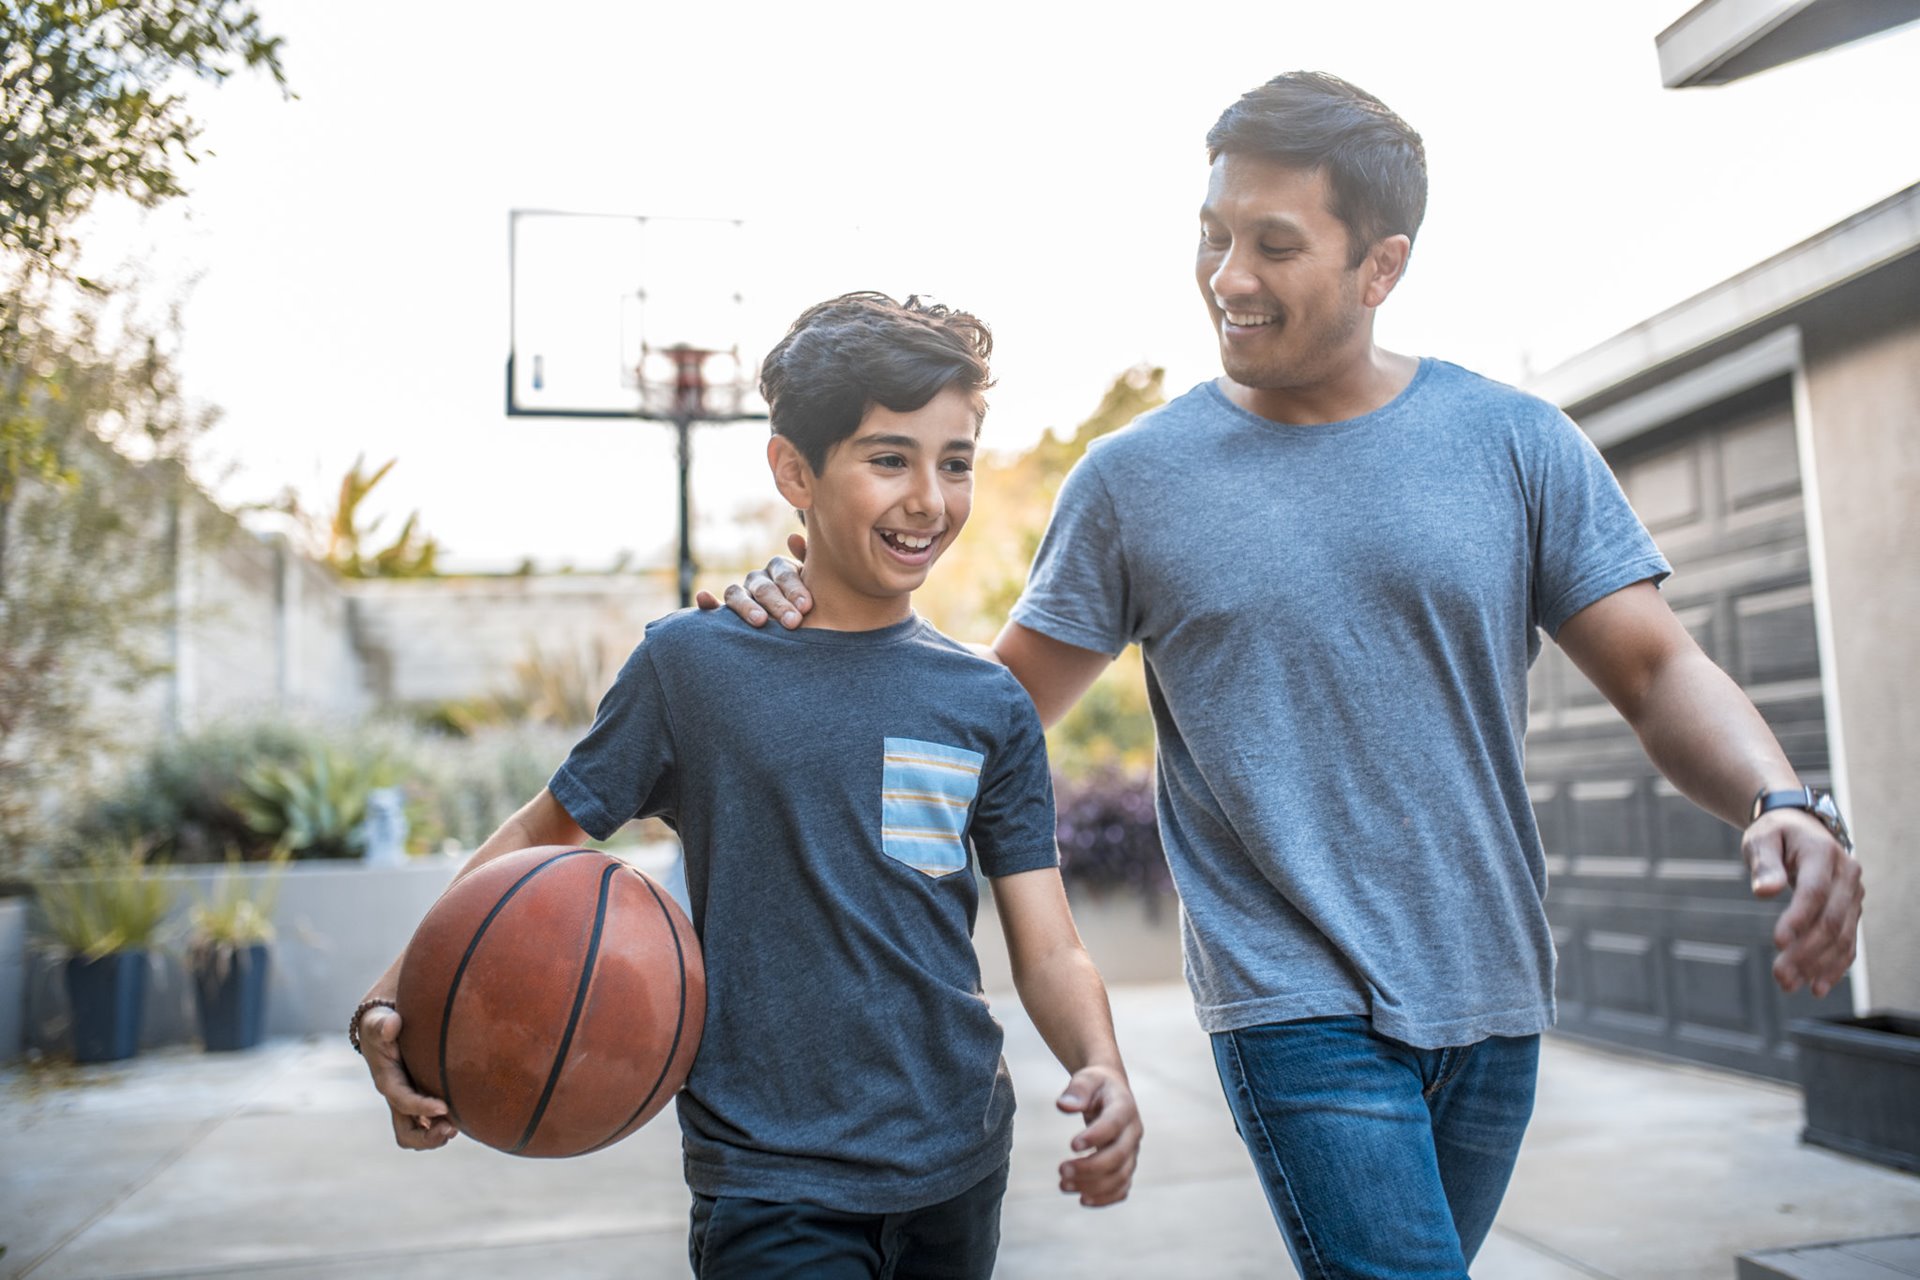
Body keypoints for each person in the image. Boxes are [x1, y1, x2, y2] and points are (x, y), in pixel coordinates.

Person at [708, 74, 1864, 1278]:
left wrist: (1781, 796)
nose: (1227, 277)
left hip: (1493, 990)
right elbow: (989, 712)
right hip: (1290, 1001)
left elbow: (1656, 668)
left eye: (1273, 244)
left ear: (1382, 265)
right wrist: (793, 625)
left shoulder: (1514, 443)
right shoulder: (1133, 480)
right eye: (1213, 236)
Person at [353, 291, 1143, 1280]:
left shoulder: (985, 700)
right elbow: (539, 835)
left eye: (956, 461)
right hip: (772, 1178)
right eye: (889, 457)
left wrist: (1100, 1062)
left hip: (959, 1158)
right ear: (793, 469)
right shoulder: (694, 667)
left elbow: (1050, 942)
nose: (930, 500)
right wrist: (394, 1000)